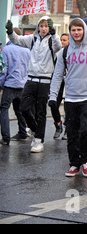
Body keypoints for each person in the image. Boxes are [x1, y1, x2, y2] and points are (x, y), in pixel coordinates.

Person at [49, 18, 87, 177]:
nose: (76, 33)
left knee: (86, 130)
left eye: (79, 29)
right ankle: (74, 164)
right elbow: (57, 75)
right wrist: (53, 96)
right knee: (72, 133)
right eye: (73, 30)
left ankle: (86, 161)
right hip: (71, 98)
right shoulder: (65, 51)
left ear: (84, 30)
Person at [5, 16, 62, 153]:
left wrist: (54, 33)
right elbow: (17, 40)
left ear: (49, 28)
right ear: (38, 27)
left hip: (45, 81)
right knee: (24, 108)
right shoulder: (33, 39)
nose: (43, 29)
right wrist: (10, 31)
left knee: (41, 111)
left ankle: (38, 140)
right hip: (30, 79)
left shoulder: (53, 40)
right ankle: (36, 130)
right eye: (41, 26)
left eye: (46, 26)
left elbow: (58, 46)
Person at [0, 28, 31, 145]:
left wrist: (0, 84)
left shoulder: (7, 50)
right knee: (19, 110)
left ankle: (6, 138)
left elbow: (4, 70)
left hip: (10, 85)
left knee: (4, 109)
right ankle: (23, 132)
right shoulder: (27, 50)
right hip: (23, 85)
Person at [49, 32, 69, 139]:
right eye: (61, 40)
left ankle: (67, 129)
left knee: (68, 107)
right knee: (53, 104)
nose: (62, 42)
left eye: (64, 40)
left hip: (69, 82)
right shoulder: (57, 53)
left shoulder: (70, 52)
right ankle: (58, 124)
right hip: (58, 81)